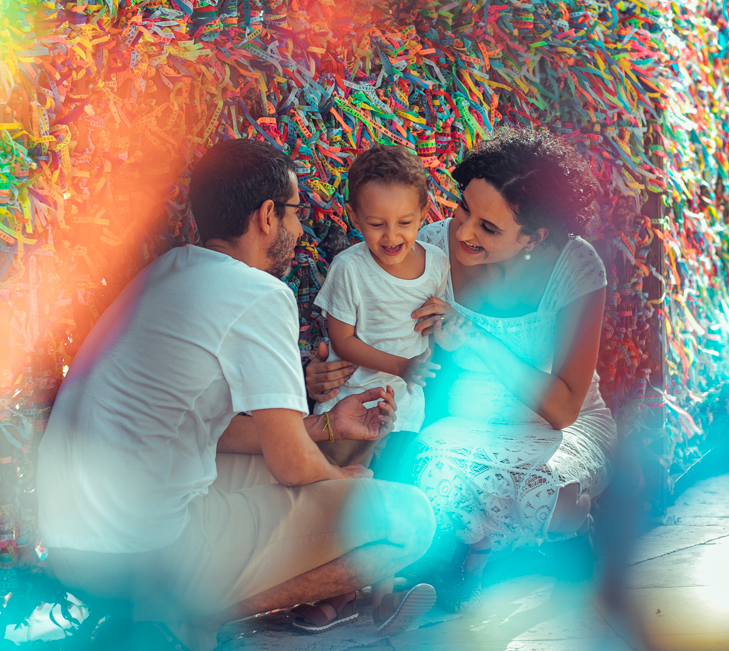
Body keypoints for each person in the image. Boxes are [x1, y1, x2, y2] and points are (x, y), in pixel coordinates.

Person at [36, 139, 436, 650]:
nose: (297, 229)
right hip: (145, 552)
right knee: (410, 521)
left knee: (322, 466)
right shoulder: (260, 293)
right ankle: (179, 616)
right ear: (267, 215)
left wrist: (328, 426)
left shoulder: (163, 272)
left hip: (72, 544)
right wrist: (340, 479)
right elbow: (292, 463)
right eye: (294, 213)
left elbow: (208, 428)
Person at [408, 126, 618, 608]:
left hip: (562, 428)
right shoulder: (429, 249)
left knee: (544, 490)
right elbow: (395, 351)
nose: (463, 231)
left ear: (534, 236)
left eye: (489, 227)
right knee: (427, 470)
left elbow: (564, 407)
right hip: (468, 425)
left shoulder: (577, 268)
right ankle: (500, 548)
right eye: (463, 208)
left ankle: (555, 528)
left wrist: (479, 342)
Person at [310, 144, 451, 488]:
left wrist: (445, 321)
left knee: (389, 489)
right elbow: (343, 341)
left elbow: (437, 327)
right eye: (376, 224)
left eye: (404, 222)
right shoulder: (350, 268)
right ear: (355, 217)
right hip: (350, 403)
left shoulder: (436, 263)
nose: (391, 236)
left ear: (423, 213)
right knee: (335, 489)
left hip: (404, 409)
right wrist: (401, 366)